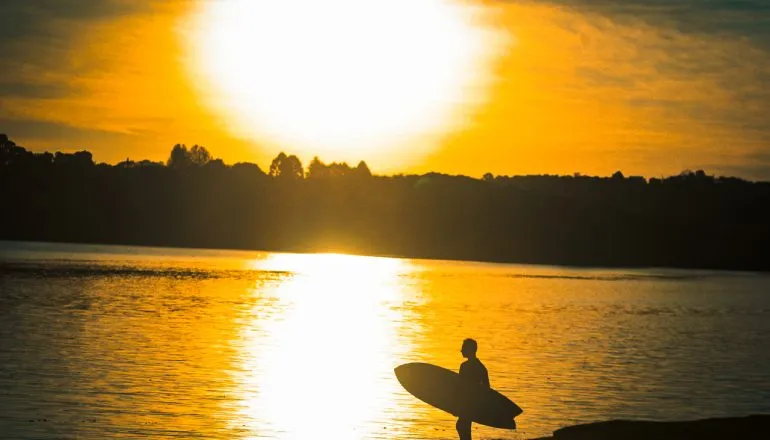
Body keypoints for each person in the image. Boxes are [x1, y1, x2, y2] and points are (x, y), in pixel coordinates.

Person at [456, 338, 489, 440]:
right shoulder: (481, 367)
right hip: (472, 403)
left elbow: (459, 387)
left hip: (468, 403)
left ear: (469, 350)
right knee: (463, 426)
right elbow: (487, 388)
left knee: (462, 426)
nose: (461, 350)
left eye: (463, 348)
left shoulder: (465, 366)